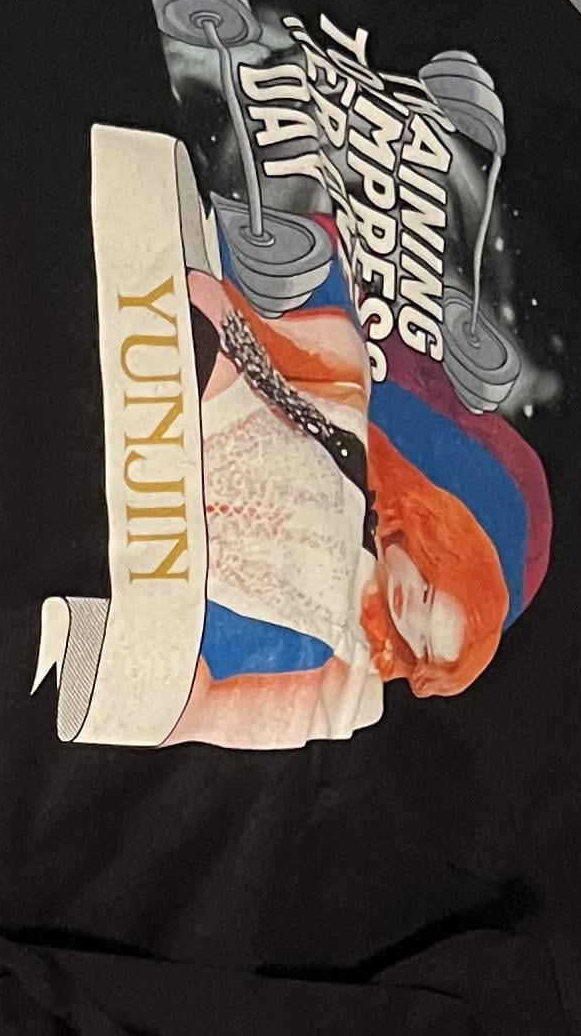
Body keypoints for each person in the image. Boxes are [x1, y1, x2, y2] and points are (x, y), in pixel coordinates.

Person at [169, 278, 516, 749]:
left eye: (424, 646)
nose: (410, 615)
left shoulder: (357, 680)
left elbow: (209, 713)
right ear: (432, 543)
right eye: (427, 593)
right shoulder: (361, 448)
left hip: (165, 536)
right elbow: (223, 310)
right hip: (195, 405)